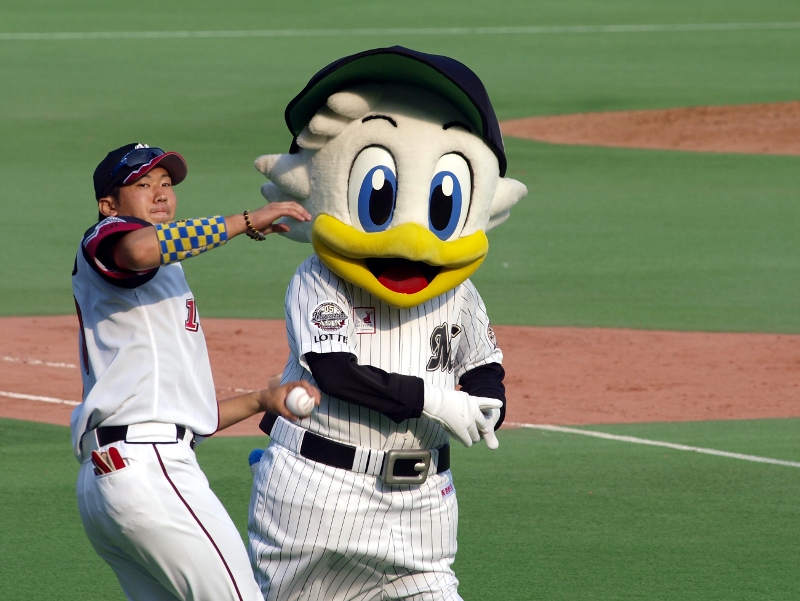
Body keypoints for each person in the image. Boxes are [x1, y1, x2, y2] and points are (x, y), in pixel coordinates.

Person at [71, 142, 320, 601]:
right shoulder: (106, 237)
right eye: (142, 184)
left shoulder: (161, 275)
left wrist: (261, 401)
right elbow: (142, 250)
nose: (160, 192)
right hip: (149, 472)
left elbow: (181, 413)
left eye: (165, 183)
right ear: (109, 205)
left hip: (116, 478)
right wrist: (245, 222)